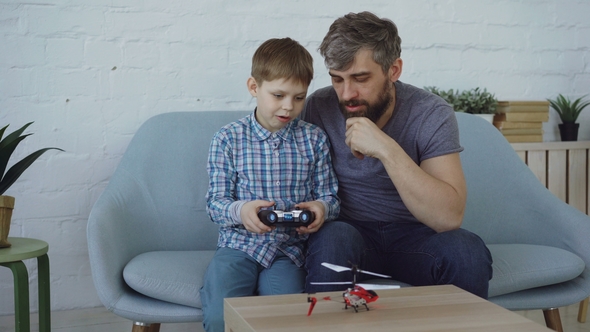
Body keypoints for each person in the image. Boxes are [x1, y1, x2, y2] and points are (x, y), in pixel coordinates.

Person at [302, 11, 493, 298]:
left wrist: (386, 148)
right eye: (337, 79)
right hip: (349, 234)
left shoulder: (431, 112)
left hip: (416, 238)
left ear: (394, 70)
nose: (346, 94)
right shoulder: (318, 106)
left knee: (466, 251)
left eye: (360, 78)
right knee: (334, 239)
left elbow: (448, 218)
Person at [200, 37, 340, 332]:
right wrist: (242, 211)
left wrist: (321, 209)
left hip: (288, 251)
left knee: (286, 316)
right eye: (278, 95)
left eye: (299, 97)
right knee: (219, 316)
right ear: (254, 87)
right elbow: (215, 204)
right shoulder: (228, 139)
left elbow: (331, 197)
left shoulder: (314, 139)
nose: (288, 107)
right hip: (238, 246)